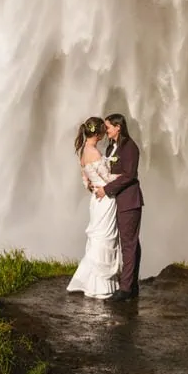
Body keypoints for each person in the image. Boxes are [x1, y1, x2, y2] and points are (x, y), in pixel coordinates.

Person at [66, 116, 121, 299]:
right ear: (97, 134)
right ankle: (102, 287)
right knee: (105, 238)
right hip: (105, 198)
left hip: (95, 199)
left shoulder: (84, 151)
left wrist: (90, 187)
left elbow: (85, 179)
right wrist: (125, 176)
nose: (105, 134)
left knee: (98, 238)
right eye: (103, 132)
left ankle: (92, 282)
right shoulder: (95, 153)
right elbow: (107, 178)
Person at [97, 112, 143, 301]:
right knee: (131, 242)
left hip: (129, 201)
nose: (105, 131)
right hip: (116, 201)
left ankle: (125, 289)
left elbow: (129, 175)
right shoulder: (111, 148)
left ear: (118, 127)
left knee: (128, 243)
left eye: (107, 127)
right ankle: (131, 284)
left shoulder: (129, 147)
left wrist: (106, 189)